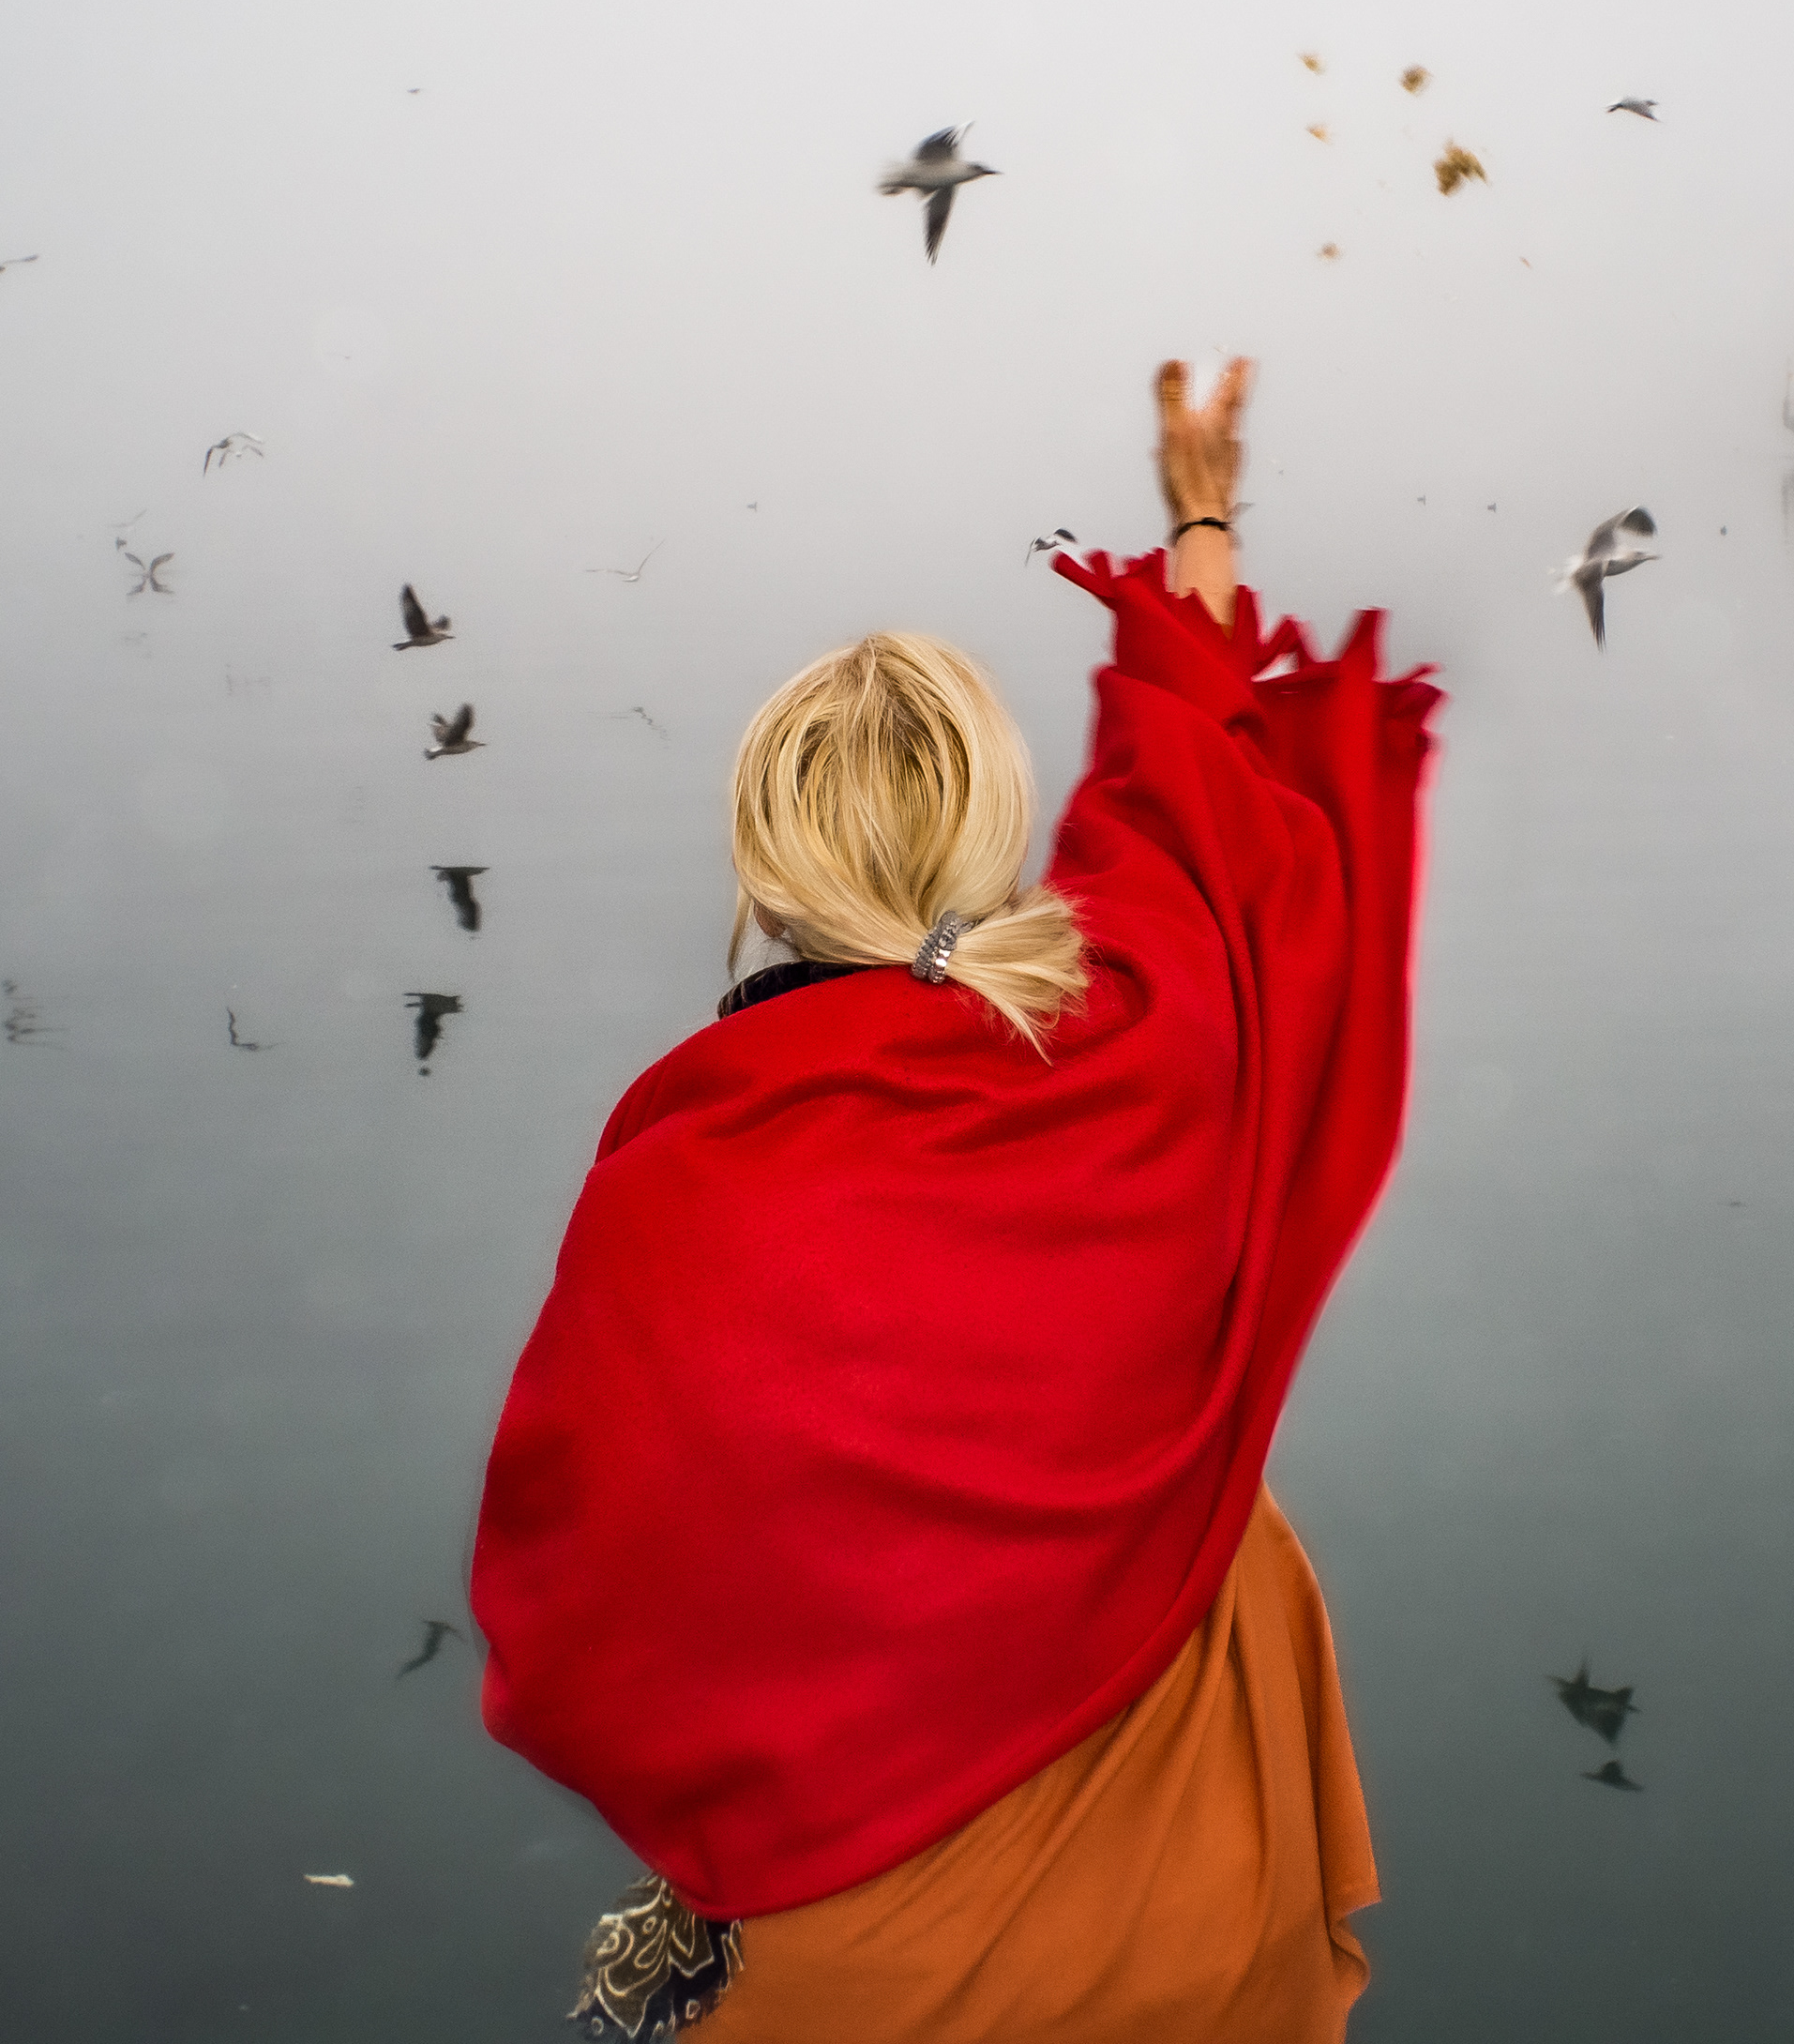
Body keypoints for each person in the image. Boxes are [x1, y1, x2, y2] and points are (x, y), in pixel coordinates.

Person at [472, 356, 1439, 2041]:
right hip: (1206, 1919)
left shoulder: (683, 1180)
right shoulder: (1149, 1046)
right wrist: (1200, 510)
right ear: (993, 834)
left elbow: (578, 1613)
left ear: (763, 877)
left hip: (889, 1985)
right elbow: (1196, 799)